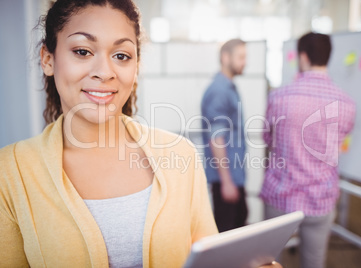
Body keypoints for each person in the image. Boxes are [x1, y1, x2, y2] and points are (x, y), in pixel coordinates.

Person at [0, 1, 283, 267]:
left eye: (121, 56)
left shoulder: (180, 154)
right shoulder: (10, 173)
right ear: (48, 59)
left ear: (135, 68)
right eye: (83, 51)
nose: (105, 72)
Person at [260, 32, 356, 268]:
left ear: (303, 57)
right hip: (320, 198)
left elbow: (266, 138)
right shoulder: (346, 102)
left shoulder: (280, 96)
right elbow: (338, 145)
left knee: (267, 262)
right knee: (314, 262)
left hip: (280, 195)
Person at [201, 39, 248, 233]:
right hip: (225, 179)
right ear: (225, 57)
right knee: (227, 234)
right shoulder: (220, 91)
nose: (245, 62)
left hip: (232, 176)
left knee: (239, 223)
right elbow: (216, 137)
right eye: (241, 57)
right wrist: (227, 182)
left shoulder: (228, 88)